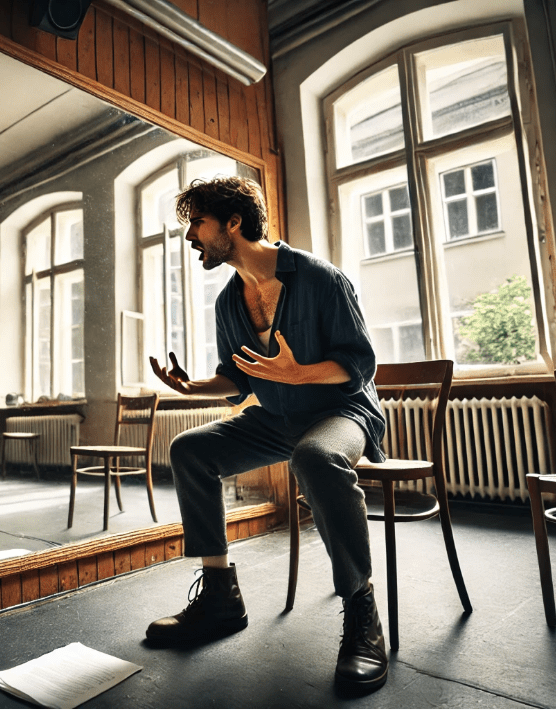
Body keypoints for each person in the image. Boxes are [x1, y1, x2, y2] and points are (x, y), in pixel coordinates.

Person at [146, 177, 389, 694]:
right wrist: (192, 386)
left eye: (197, 223)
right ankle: (219, 600)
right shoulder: (229, 302)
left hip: (341, 411)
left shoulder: (321, 279)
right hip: (276, 418)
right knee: (190, 449)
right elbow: (238, 377)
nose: (191, 236)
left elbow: (359, 364)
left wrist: (297, 373)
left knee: (316, 458)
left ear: (233, 222)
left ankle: (362, 613)